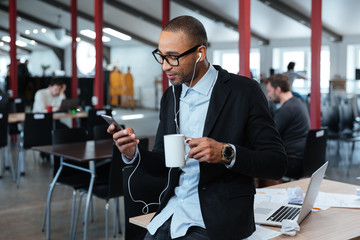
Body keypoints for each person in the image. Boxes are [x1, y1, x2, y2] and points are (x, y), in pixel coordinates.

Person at [108, 16, 287, 240]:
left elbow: (276, 164)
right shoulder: (170, 97)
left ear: (200, 53)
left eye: (173, 57)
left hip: (219, 219)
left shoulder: (244, 92)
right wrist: (133, 153)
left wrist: (225, 152)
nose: (165, 66)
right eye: (161, 57)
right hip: (172, 212)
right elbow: (164, 163)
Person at [265, 74, 310, 179]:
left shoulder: (286, 110)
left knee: (255, 161)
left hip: (290, 162)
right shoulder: (298, 103)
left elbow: (269, 136)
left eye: (269, 91)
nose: (268, 95)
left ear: (278, 90)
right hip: (301, 159)